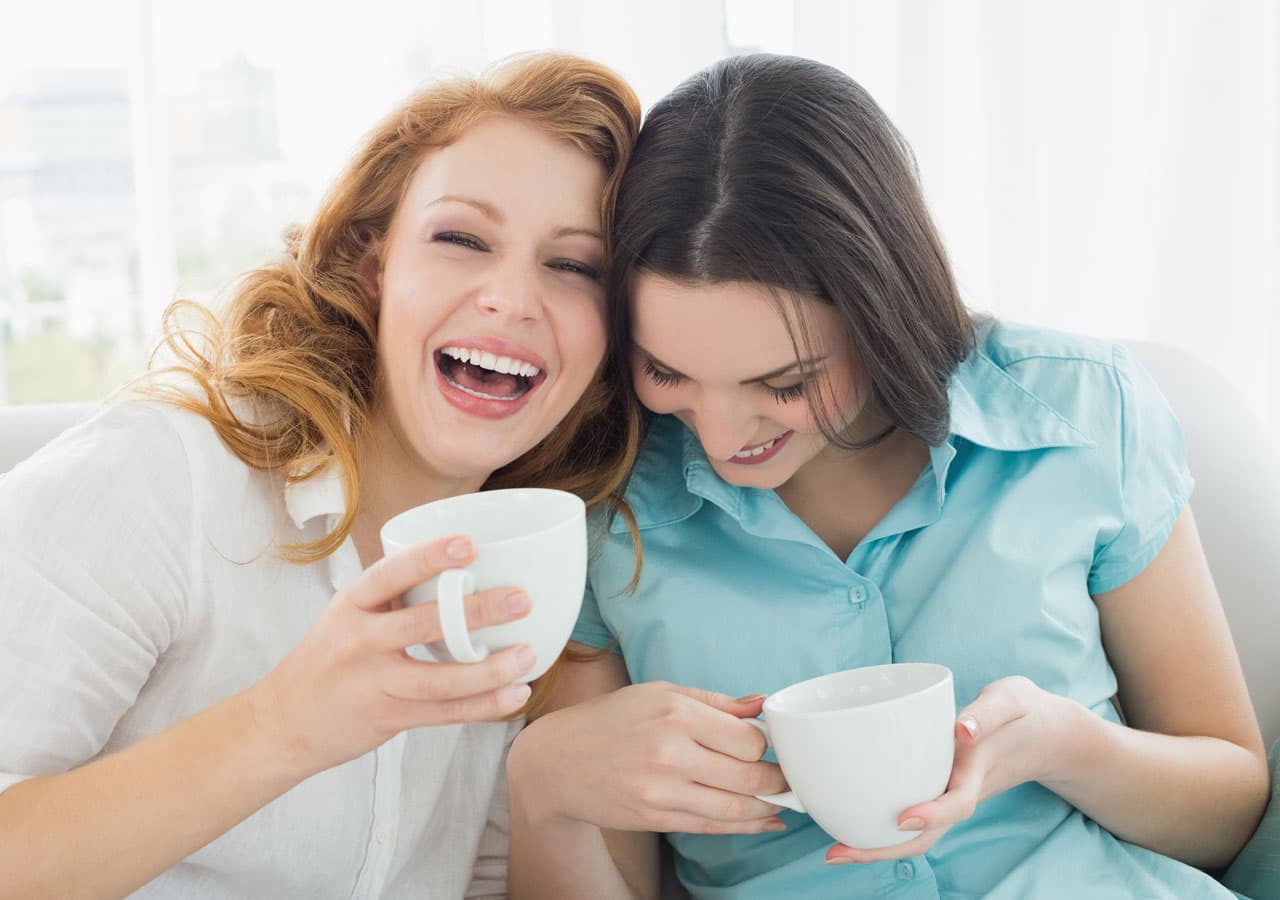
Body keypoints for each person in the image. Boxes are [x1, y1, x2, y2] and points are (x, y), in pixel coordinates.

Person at [505, 53, 1271, 899]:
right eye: (668, 372)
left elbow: (1230, 809)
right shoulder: (601, 512)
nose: (721, 437)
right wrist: (544, 788)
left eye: (786, 383)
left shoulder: (1083, 412)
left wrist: (1064, 744)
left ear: (884, 310)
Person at [0, 52, 641, 898]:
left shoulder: (553, 578)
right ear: (373, 265)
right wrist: (284, 726)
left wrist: (551, 792)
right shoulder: (164, 478)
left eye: (574, 266)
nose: (510, 298)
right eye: (460, 239)